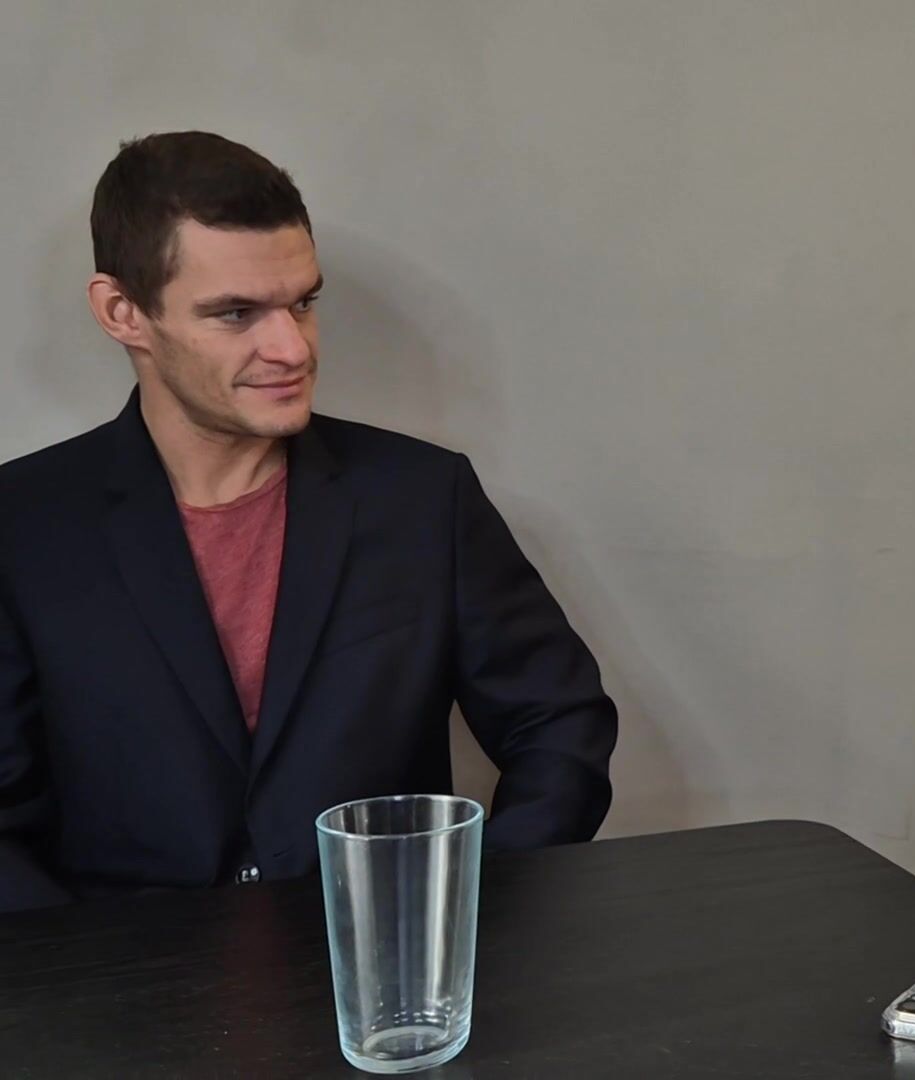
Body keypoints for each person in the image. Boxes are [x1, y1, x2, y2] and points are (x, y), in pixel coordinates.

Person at [0, 131, 618, 913]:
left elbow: (559, 725)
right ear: (123, 312)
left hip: (387, 968)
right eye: (236, 313)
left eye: (302, 303)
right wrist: (94, 976)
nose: (291, 347)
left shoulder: (423, 498)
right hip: (118, 979)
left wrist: (462, 913)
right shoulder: (22, 526)